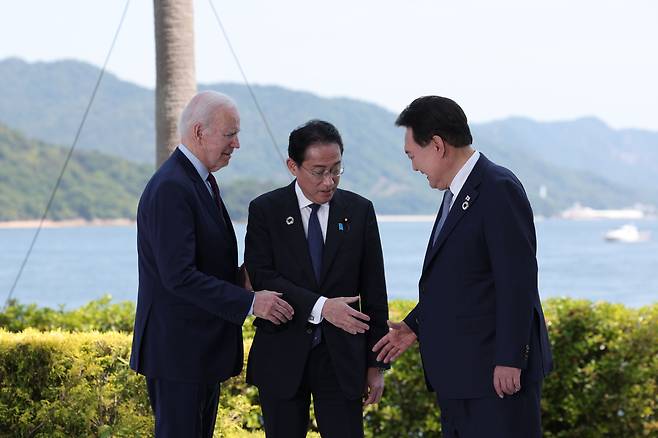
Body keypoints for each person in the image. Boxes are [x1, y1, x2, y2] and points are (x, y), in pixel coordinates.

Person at [373, 96, 553, 437]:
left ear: (438, 145)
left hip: (495, 378)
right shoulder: (455, 194)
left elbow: (517, 282)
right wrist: (414, 326)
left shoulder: (498, 188)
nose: (413, 167)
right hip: (461, 377)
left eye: (413, 155)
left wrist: (510, 359)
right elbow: (461, 283)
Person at [129, 90, 294, 438]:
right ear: (199, 131)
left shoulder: (200, 181)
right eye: (230, 133)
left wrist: (250, 273)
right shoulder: (172, 187)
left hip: (197, 353)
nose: (236, 144)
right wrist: (251, 303)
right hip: (179, 355)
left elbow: (205, 267)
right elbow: (179, 276)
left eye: (237, 134)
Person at [244, 120, 389, 438]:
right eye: (319, 170)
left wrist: (375, 366)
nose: (330, 181)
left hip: (342, 361)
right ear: (293, 166)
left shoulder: (360, 210)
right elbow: (262, 276)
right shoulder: (266, 210)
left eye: (337, 169)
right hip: (282, 354)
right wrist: (323, 307)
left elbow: (375, 290)